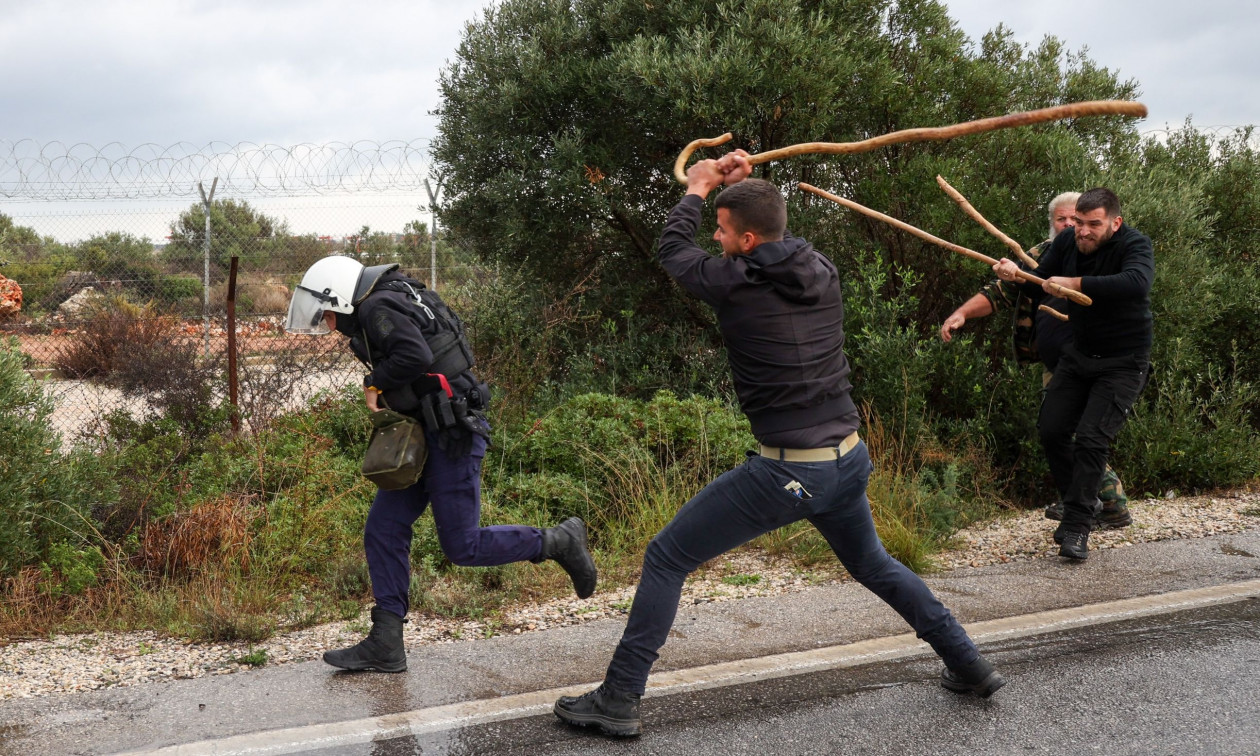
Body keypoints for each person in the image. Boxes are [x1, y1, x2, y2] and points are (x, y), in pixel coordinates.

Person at [552, 153, 1004, 738]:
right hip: (848, 458)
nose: (715, 240)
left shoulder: (736, 285)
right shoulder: (821, 268)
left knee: (667, 556)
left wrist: (698, 188)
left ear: (745, 241)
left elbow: (673, 250)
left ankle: (618, 699)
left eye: (722, 232)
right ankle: (968, 664)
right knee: (873, 564)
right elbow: (776, 234)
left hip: (791, 473)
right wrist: (741, 191)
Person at [285, 256, 597, 672]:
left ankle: (558, 541)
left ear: (339, 297)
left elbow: (413, 355)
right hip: (425, 431)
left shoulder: (377, 307)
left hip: (452, 434)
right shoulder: (390, 297)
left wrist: (374, 382)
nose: (327, 322)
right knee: (384, 528)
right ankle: (386, 641)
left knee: (463, 546)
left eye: (327, 312)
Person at [941, 193, 1132, 530]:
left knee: (1081, 431)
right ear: (1052, 223)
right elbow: (1001, 291)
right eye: (1063, 219)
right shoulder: (1042, 254)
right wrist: (962, 314)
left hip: (1097, 361)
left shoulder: (1106, 253)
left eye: (1076, 219)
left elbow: (1128, 290)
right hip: (1056, 363)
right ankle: (1085, 501)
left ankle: (1106, 504)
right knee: (1058, 429)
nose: (1070, 225)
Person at [993, 188, 1153, 560]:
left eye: (1093, 224)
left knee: (1092, 439)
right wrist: (1015, 275)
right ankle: (1082, 502)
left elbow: (1136, 282)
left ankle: (1078, 526)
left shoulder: (1135, 245)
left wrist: (1075, 283)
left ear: (1115, 222)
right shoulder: (1067, 241)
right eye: (1079, 222)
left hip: (1123, 362)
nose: (1082, 231)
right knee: (1051, 429)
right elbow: (1041, 280)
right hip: (1079, 356)